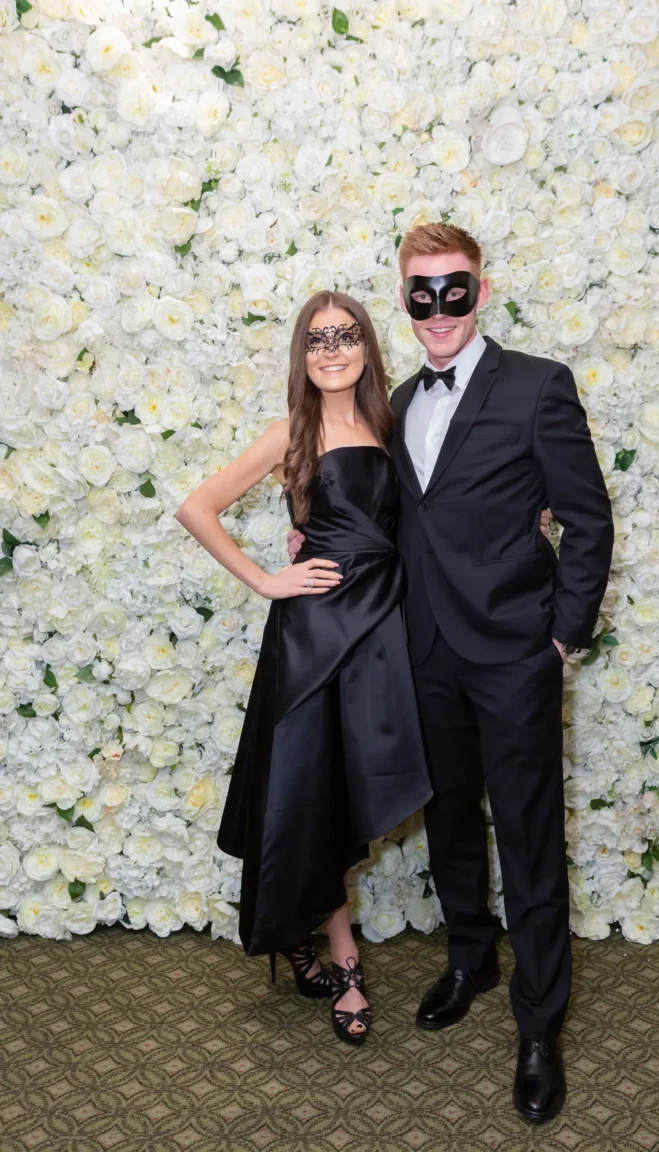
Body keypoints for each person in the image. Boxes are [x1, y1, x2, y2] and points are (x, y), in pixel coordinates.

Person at [289, 223, 614, 1122]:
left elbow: (587, 520)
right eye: (420, 293)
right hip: (421, 650)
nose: (438, 308)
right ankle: (469, 956)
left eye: (454, 289)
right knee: (452, 830)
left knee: (530, 838)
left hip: (514, 655)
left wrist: (560, 635)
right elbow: (391, 519)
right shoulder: (393, 400)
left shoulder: (538, 386)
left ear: (479, 290)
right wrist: (309, 537)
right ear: (403, 299)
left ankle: (540, 1025)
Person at [174, 291, 434, 1045]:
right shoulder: (290, 429)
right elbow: (198, 507)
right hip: (315, 634)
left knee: (355, 784)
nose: (331, 349)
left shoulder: (389, 425)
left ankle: (302, 926)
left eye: (346, 335)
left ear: (367, 347)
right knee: (313, 792)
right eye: (317, 339)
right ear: (302, 354)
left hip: (382, 624)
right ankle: (343, 958)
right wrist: (267, 579)